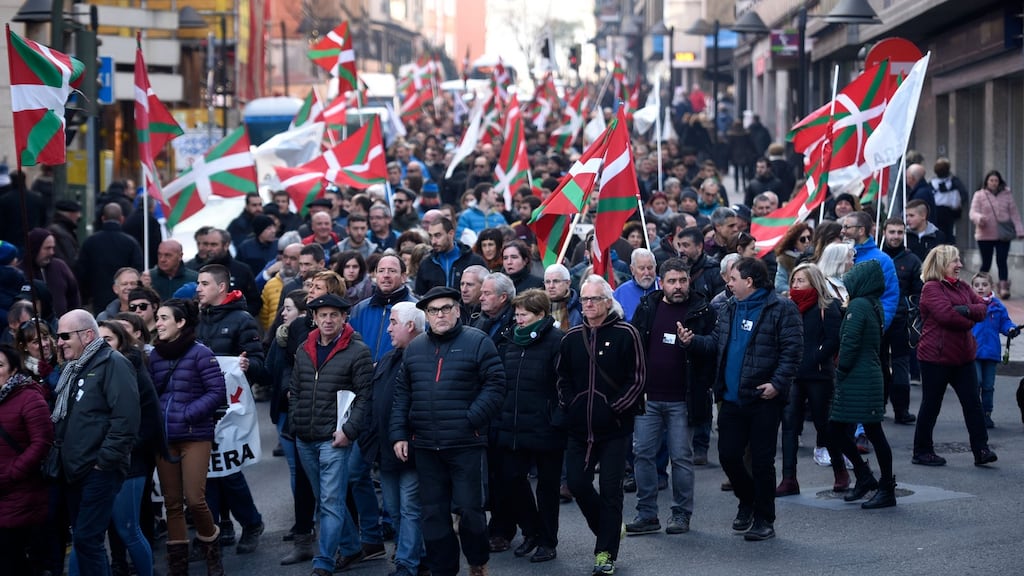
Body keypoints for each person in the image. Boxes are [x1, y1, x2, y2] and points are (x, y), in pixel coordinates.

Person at [390, 286, 505, 576]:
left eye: (445, 308)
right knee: (433, 515)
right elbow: (402, 394)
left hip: (466, 443)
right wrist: (399, 434)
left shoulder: (477, 342)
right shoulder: (415, 349)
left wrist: (470, 419)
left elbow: (495, 385)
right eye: (433, 310)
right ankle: (444, 570)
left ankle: (477, 562)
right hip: (427, 445)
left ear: (457, 310)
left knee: (470, 512)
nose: (440, 315)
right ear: (425, 315)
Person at [689, 257, 801, 541]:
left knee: (762, 462)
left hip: (764, 398)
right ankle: (748, 501)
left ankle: (764, 519)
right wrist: (691, 341)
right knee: (728, 455)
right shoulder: (727, 308)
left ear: (749, 281)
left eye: (733, 279)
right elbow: (715, 343)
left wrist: (777, 384)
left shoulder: (782, 308)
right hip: (730, 398)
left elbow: (793, 351)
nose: (728, 283)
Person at [557, 275, 645, 575]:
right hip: (579, 429)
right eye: (584, 299)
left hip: (614, 429)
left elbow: (637, 378)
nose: (589, 304)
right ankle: (608, 529)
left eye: (595, 299)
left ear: (608, 302)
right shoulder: (570, 338)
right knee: (579, 485)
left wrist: (614, 408)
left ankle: (605, 552)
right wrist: (571, 406)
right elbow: (562, 379)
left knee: (611, 491)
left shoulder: (626, 333)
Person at [627, 259, 715, 536]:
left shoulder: (702, 310)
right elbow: (633, 344)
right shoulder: (647, 307)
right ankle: (647, 513)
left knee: (680, 458)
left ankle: (681, 513)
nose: (678, 286)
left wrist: (693, 342)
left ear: (689, 281)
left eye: (683, 280)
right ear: (661, 282)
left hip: (683, 399)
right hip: (648, 397)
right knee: (642, 454)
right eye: (672, 281)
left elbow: (715, 346)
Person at [290, 294, 374, 576]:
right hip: (305, 437)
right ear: (314, 318)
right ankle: (351, 548)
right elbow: (296, 390)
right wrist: (295, 422)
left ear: (343, 318)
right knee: (326, 498)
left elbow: (365, 397)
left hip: (334, 439)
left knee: (330, 501)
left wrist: (349, 432)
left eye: (333, 315)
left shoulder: (358, 351)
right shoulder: (304, 348)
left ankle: (323, 561)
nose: (328, 320)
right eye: (322, 315)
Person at [53, 309, 140, 575]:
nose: (59, 342)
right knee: (86, 540)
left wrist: (103, 463)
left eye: (65, 336)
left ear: (87, 335)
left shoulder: (113, 363)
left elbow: (126, 419)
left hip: (97, 470)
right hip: (74, 471)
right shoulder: (75, 367)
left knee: (87, 540)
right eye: (58, 336)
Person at [148, 298, 227, 575]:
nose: (158, 323)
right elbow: (151, 395)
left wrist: (189, 413)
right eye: (157, 318)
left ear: (180, 322)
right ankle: (178, 564)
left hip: (194, 435)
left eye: (164, 318)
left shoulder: (201, 354)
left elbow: (217, 392)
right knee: (171, 503)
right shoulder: (153, 356)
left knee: (195, 499)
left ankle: (211, 551)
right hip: (165, 438)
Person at [194, 264, 266, 553]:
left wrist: (248, 366)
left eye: (203, 283)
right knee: (206, 471)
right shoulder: (195, 319)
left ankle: (251, 522)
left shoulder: (242, 320)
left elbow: (261, 364)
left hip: (231, 408)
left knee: (227, 469)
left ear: (221, 287)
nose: (198, 288)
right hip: (200, 405)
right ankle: (213, 530)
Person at [493, 289, 565, 563]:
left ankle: (547, 540)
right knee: (512, 479)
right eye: (516, 314)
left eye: (523, 314)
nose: (518, 319)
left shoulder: (557, 341)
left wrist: (557, 417)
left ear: (540, 315)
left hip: (546, 427)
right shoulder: (510, 340)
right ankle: (531, 531)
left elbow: (564, 384)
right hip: (513, 424)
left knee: (547, 488)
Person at [912, 245, 998, 467]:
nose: (960, 265)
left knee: (973, 405)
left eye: (959, 260)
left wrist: (964, 311)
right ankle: (922, 451)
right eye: (955, 261)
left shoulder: (962, 286)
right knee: (931, 405)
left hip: (963, 356)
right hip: (935, 357)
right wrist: (969, 314)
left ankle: (982, 450)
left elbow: (983, 308)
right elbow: (946, 316)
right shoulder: (931, 288)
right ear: (941, 264)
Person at [827, 260, 897, 509]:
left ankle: (885, 487)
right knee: (841, 430)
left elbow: (849, 343)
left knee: (868, 432)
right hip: (868, 374)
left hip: (859, 377)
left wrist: (841, 369)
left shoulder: (858, 305)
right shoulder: (873, 304)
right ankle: (866, 477)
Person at [93, 320, 159, 576]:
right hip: (103, 460)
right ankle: (119, 563)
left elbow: (145, 418)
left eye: (108, 339)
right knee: (110, 525)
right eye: (98, 339)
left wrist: (124, 448)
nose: (102, 344)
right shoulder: (91, 369)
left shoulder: (132, 367)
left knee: (131, 525)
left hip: (131, 459)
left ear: (121, 340)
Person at [365, 302, 426, 576]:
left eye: (393, 322)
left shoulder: (424, 357)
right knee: (395, 509)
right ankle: (416, 557)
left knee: (410, 508)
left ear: (410, 326)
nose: (388, 328)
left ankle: (407, 563)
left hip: (412, 449)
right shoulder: (389, 358)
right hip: (386, 450)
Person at [776, 263, 844, 497]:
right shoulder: (787, 306)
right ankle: (789, 479)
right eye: (793, 281)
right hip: (792, 376)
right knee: (789, 426)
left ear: (813, 281)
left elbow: (834, 340)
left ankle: (840, 471)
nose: (795, 285)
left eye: (801, 281)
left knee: (824, 425)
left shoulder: (827, 306)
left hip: (818, 375)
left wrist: (814, 357)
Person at [0, 344, 53, 574]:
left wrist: (12, 473)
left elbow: (42, 443)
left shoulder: (29, 397)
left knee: (15, 562)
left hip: (22, 494)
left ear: (12, 370)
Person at [879, 218, 923, 425]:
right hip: (877, 320)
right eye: (892, 232)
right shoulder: (876, 257)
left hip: (901, 321)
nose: (896, 236)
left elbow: (918, 292)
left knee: (901, 365)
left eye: (899, 232)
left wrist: (910, 312)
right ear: (884, 232)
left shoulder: (912, 260)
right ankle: (878, 407)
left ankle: (901, 410)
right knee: (878, 365)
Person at [970, 272, 1019, 429]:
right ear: (972, 288)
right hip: (973, 352)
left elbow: (1005, 322)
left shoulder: (997, 306)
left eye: (984, 285)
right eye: (977, 285)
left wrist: (1011, 329)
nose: (980, 288)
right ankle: (975, 414)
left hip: (991, 352)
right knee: (976, 382)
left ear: (991, 287)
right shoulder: (969, 304)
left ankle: (987, 413)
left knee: (988, 386)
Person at [349, 254, 417, 363]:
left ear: (403, 277)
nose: (386, 275)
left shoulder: (415, 310)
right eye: (381, 271)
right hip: (363, 374)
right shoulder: (360, 309)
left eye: (392, 271)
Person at [76, 203, 143, 312]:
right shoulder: (131, 243)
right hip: (125, 300)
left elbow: (81, 273)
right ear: (122, 219)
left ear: (103, 218)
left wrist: (85, 297)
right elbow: (138, 270)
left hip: (97, 298)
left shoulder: (90, 242)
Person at [969, 170, 1023, 299]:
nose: (993, 183)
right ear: (987, 181)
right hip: (984, 234)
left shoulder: (1007, 194)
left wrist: (1020, 230)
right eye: (991, 180)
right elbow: (973, 212)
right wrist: (979, 218)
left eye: (996, 180)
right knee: (986, 262)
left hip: (1002, 234)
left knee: (1002, 260)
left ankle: (1003, 287)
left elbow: (1014, 214)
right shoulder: (979, 195)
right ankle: (979, 287)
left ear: (999, 182)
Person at [417, 217, 486, 296]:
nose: (433, 241)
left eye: (437, 235)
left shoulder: (474, 261)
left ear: (451, 234)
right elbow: (420, 296)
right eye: (431, 236)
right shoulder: (426, 264)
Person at [20, 228, 80, 317]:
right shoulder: (20, 272)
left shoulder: (60, 267)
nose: (52, 252)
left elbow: (73, 297)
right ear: (34, 248)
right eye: (47, 248)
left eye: (53, 247)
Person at [612, 248, 660, 322]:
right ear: (632, 269)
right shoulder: (621, 293)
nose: (647, 273)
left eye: (650, 268)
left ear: (655, 267)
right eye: (642, 268)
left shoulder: (664, 287)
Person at [543, 263, 582, 331]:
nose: (551, 286)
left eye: (556, 281)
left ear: (568, 283)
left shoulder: (580, 308)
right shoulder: (538, 307)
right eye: (547, 282)